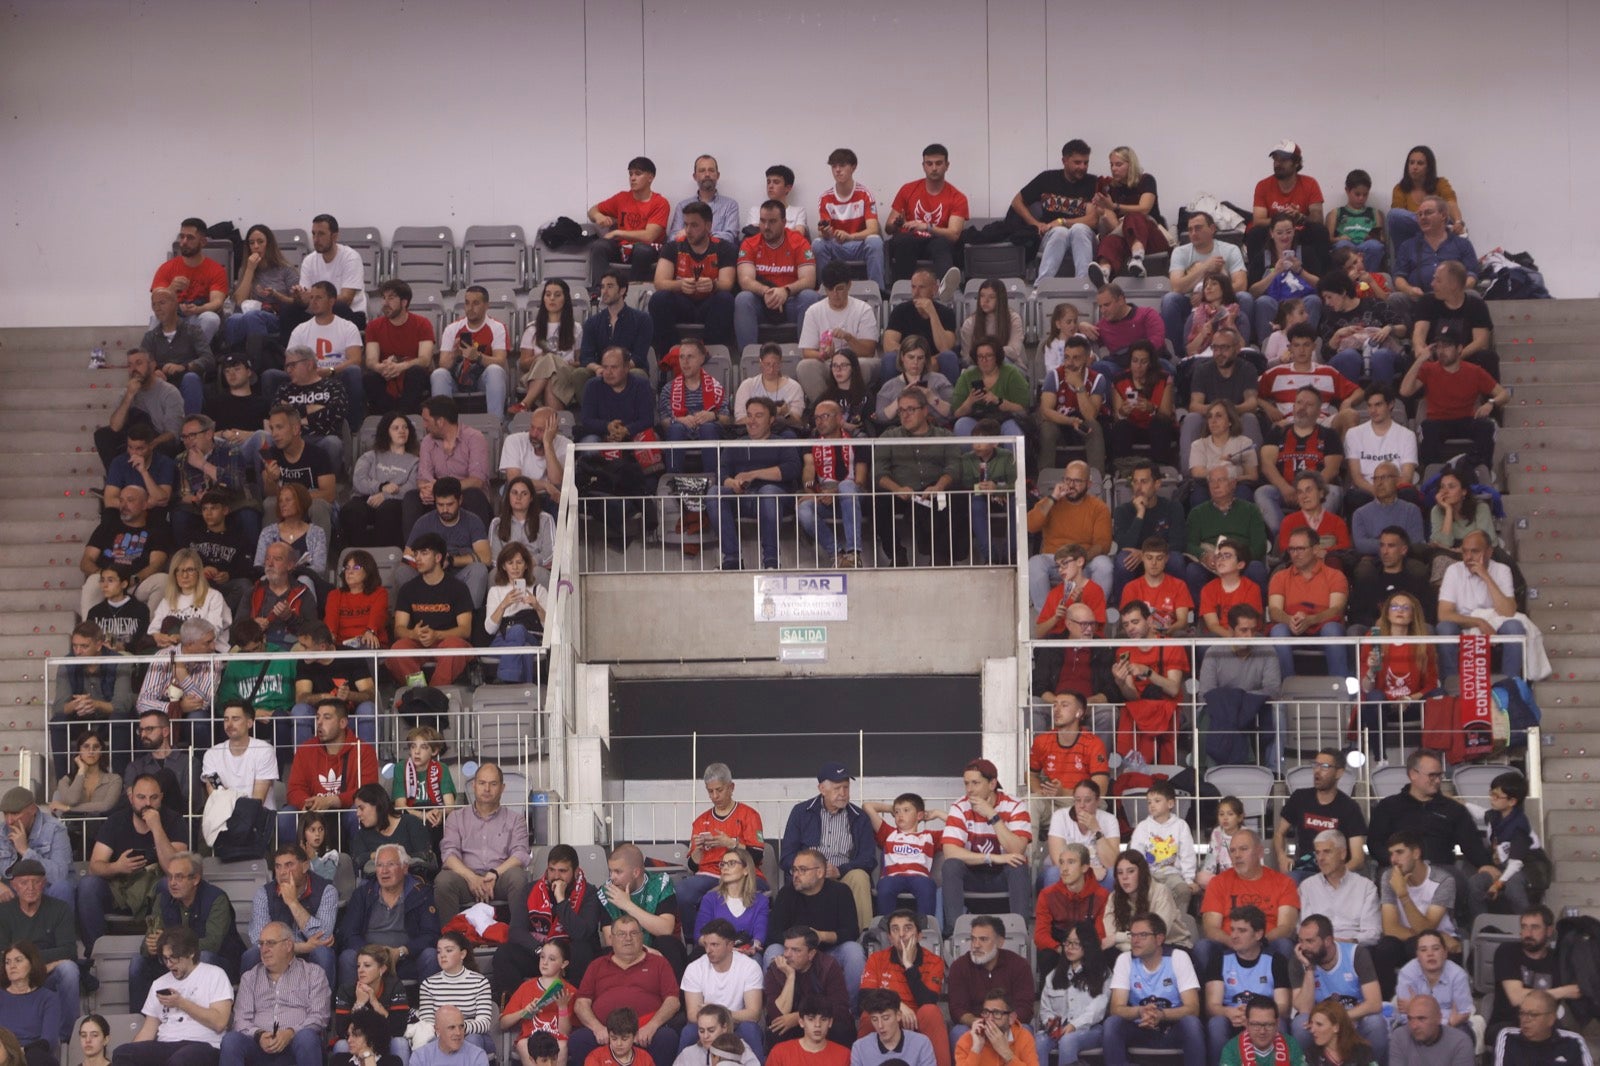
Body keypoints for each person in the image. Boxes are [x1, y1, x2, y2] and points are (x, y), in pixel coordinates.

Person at [1366, 750, 1493, 910]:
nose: (1438, 780)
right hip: (1397, 868)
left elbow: (1471, 844)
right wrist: (1398, 863)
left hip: (1441, 868)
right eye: (1432, 775)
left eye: (1440, 775)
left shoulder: (1453, 809)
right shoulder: (1388, 806)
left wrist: (1485, 865)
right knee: (1388, 880)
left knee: (1457, 882)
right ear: (1413, 774)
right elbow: (1375, 843)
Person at [74, 774, 182, 957]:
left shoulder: (173, 820)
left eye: (153, 797)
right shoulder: (116, 821)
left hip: (154, 891)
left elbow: (176, 870)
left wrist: (156, 827)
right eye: (141, 797)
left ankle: (165, 951)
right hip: (120, 889)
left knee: (170, 884)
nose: (147, 803)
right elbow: (94, 867)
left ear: (161, 797)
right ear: (131, 797)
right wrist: (117, 867)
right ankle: (96, 954)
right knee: (88, 885)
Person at [570, 913, 682, 1066]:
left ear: (641, 936)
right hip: (606, 1033)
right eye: (622, 934)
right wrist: (597, 1028)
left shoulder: (659, 963)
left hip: (645, 1031)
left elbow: (673, 1001)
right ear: (611, 938)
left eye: (633, 933)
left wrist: (652, 1026)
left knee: (667, 1038)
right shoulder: (597, 965)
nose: (628, 938)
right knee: (578, 1039)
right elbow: (581, 1003)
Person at [110, 926, 232, 1066]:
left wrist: (181, 1003)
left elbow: (219, 1023)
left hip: (203, 1045)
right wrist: (134, 1052)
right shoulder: (159, 983)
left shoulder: (214, 974)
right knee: (123, 1053)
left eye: (174, 958)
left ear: (191, 953)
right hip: (166, 1044)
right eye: (165, 958)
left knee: (180, 1060)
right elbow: (148, 1030)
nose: (168, 964)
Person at [874, 389, 968, 568]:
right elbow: (879, 472)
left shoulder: (944, 436)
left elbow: (954, 467)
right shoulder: (889, 436)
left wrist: (939, 486)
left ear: (925, 410)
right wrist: (897, 489)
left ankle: (941, 556)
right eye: (901, 410)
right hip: (902, 491)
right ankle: (897, 554)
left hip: (934, 490)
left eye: (911, 409)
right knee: (877, 499)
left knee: (955, 495)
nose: (905, 415)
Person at [1399, 325, 1508, 476]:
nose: (1441, 351)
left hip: (1466, 419)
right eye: (1438, 346)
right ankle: (1435, 475)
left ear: (1459, 348)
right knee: (1427, 428)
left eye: (1447, 346)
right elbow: (1404, 391)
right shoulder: (1428, 369)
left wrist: (1491, 403)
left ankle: (1476, 471)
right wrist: (1420, 360)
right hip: (1438, 421)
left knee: (1488, 426)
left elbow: (1504, 394)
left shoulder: (1474, 371)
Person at [940, 759, 1031, 937]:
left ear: (992, 784)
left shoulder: (1015, 806)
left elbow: (1017, 849)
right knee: (950, 865)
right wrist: (992, 857)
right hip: (973, 875)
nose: (969, 789)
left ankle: (1020, 933)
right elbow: (950, 852)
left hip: (1002, 876)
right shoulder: (959, 806)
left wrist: (992, 815)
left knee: (1018, 864)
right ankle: (954, 933)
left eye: (975, 783)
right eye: (966, 783)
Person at [496, 845, 600, 1001]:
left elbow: (581, 933)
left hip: (570, 956)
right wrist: (541, 951)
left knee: (583, 949)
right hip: (540, 952)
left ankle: (576, 1004)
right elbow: (516, 931)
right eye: (552, 870)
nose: (556, 876)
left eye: (562, 871)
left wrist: (561, 900)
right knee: (504, 954)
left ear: (576, 872)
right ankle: (519, 1005)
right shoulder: (531, 890)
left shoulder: (589, 893)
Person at [221, 920, 331, 1066]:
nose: (264, 949)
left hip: (296, 1045)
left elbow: (319, 1016)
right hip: (259, 1048)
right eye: (261, 944)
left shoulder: (313, 974)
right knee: (231, 1040)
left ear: (288, 945)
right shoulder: (250, 977)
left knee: (307, 1038)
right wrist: (259, 1035)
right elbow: (240, 1020)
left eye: (270, 943)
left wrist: (290, 1033)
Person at [707, 397, 799, 571]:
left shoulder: (782, 442)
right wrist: (731, 482)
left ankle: (771, 561)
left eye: (758, 416)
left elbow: (792, 469)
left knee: (768, 491)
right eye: (749, 415)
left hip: (775, 500)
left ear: (771, 420)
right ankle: (732, 559)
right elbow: (721, 473)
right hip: (743, 497)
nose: (752, 421)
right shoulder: (736, 444)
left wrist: (754, 474)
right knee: (714, 493)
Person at [435, 762, 532, 925]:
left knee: (518, 878)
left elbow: (520, 854)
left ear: (502, 788)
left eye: (493, 784)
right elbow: (448, 854)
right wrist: (471, 878)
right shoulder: (456, 818)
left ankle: (519, 934)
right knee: (443, 881)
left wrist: (494, 873)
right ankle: (451, 936)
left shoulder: (516, 819)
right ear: (474, 785)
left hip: (499, 878)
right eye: (482, 783)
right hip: (465, 879)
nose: (487, 789)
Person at [1102, 913, 1203, 1066]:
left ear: (1159, 938)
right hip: (1139, 1028)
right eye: (1132, 935)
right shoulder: (1125, 960)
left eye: (1142, 935)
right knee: (1112, 1023)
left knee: (1191, 1023)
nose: (1135, 940)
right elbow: (1116, 1008)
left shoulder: (1178, 957)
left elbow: (1193, 1008)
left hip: (1172, 1029)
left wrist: (1161, 1015)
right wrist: (1140, 1011)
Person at [338, 842, 442, 987]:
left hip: (406, 959)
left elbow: (431, 934)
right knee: (347, 957)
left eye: (390, 864)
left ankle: (427, 1002)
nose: (384, 871)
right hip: (369, 959)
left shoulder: (421, 893)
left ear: (404, 868)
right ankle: (351, 1002)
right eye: (379, 865)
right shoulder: (363, 894)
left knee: (430, 956)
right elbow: (349, 933)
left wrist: (401, 951)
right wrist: (371, 954)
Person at [1287, 915, 1387, 1061]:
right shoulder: (1299, 961)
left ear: (1327, 941)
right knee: (1299, 1024)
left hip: (1354, 1018)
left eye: (1310, 941)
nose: (1303, 947)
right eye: (1300, 941)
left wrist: (1337, 1020)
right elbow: (1304, 1009)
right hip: (1319, 1023)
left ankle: (1371, 1063)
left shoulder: (1356, 954)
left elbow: (1374, 1003)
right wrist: (1309, 968)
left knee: (1375, 1023)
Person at [765, 849, 863, 997]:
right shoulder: (786, 893)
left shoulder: (840, 891)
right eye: (794, 870)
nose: (796, 875)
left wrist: (821, 936)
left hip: (830, 950)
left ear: (820, 872)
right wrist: (799, 945)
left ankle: (849, 1008)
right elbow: (773, 933)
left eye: (803, 870)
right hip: (794, 951)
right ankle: (777, 1008)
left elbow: (851, 931)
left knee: (854, 951)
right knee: (773, 951)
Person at [1197, 831, 1299, 972]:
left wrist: (1257, 942)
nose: (1237, 855)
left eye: (1243, 849)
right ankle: (1209, 987)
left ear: (1260, 852)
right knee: (1203, 947)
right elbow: (1211, 928)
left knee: (1284, 945)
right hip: (1229, 944)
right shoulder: (1218, 882)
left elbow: (1286, 927)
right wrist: (1235, 942)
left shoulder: (1284, 883)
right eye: (1233, 851)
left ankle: (1280, 986)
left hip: (1266, 943)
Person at [0, 860, 78, 1042]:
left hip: (48, 975)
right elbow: (2, 954)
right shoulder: (3, 912)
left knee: (69, 970)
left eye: (36, 882)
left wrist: (29, 962)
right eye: (24, 882)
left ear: (44, 883)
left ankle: (66, 1037)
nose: (31, 887)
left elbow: (69, 951)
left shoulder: (60, 908)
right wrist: (35, 962)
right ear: (14, 885)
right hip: (13, 975)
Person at [648, 202, 738, 360]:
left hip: (709, 305)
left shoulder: (724, 248)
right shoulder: (672, 247)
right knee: (659, 298)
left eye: (694, 225)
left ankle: (712, 355)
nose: (688, 230)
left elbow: (727, 283)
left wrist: (713, 285)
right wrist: (680, 285)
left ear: (708, 226)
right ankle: (669, 355)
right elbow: (659, 282)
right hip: (683, 304)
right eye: (686, 224)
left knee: (725, 299)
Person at [1374, 831, 1463, 988]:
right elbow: (1390, 929)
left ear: (1416, 853)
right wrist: (1438, 936)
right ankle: (1386, 999)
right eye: (1391, 854)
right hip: (1413, 939)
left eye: (1399, 852)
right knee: (1384, 948)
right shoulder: (1389, 877)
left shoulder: (1443, 880)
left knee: (1415, 946)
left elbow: (1426, 928)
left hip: (1441, 946)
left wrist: (1403, 895)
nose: (1394, 860)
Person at [283, 699, 379, 843]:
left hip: (346, 813)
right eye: (317, 717)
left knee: (358, 812)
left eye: (327, 717)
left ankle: (360, 856)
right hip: (312, 814)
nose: (319, 723)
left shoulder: (364, 750)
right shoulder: (305, 750)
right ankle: (293, 857)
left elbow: (369, 791)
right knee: (286, 815)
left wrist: (333, 800)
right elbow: (294, 790)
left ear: (343, 723)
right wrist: (309, 804)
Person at [1203, 906, 1292, 1061]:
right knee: (1216, 1023)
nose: (1234, 936)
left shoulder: (1276, 961)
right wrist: (1227, 1012)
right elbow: (1212, 1006)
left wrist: (1255, 1016)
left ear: (1258, 934)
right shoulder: (1219, 959)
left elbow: (1283, 1006)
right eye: (1232, 929)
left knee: (1280, 1023)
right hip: (1232, 1018)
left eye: (1242, 931)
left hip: (1265, 1019)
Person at [388, 532, 476, 687]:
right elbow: (398, 629)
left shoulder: (458, 588)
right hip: (418, 642)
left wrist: (436, 635)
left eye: (424, 553)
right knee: (398, 649)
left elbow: (465, 630)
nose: (418, 558)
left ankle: (434, 693)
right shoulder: (408, 589)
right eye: (416, 554)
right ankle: (419, 691)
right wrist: (412, 634)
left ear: (438, 557)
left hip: (446, 641)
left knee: (456, 647)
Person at [1026, 460, 1113, 613]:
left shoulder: (1099, 507)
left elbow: (1103, 544)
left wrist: (1079, 560)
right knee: (1034, 563)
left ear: (1089, 484)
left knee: (1104, 564)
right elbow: (1030, 526)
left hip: (1084, 562)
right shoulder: (1050, 502)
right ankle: (1048, 616)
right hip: (1055, 560)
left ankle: (1093, 616)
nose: (1071, 485)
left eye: (1077, 481)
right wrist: (1053, 498)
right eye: (1068, 480)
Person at [1358, 591, 1442, 751]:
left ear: (1413, 614)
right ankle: (1379, 757)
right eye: (1394, 606)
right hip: (1384, 704)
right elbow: (1366, 689)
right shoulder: (1374, 638)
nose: (1400, 611)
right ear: (1387, 612)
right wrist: (1371, 670)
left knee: (1439, 694)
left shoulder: (1423, 642)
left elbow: (1431, 684)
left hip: (1412, 703)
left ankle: (1429, 754)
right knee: (1374, 697)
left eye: (1406, 607)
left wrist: (1409, 699)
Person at [857, 909, 947, 1059]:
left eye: (908, 928)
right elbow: (864, 997)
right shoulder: (876, 959)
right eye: (895, 929)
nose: (901, 934)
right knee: (868, 1015)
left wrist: (909, 966)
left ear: (919, 935)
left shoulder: (934, 961)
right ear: (889, 937)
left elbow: (928, 1000)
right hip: (887, 1015)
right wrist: (897, 1005)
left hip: (918, 1018)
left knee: (931, 1012)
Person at [735, 199, 820, 354]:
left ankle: (807, 356)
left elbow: (809, 280)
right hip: (762, 302)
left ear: (784, 222)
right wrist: (766, 291)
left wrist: (785, 291)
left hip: (791, 301)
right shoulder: (749, 243)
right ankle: (748, 358)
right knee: (743, 298)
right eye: (762, 221)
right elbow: (745, 280)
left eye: (772, 221)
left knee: (810, 296)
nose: (766, 227)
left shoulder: (799, 242)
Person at [245, 844, 338, 985]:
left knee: (323, 953)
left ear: (305, 866)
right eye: (278, 866)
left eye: (289, 865)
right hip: (279, 954)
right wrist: (303, 947)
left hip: (311, 955)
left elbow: (323, 938)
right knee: (252, 955)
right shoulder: (264, 893)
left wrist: (293, 902)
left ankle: (323, 1000)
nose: (282, 872)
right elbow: (259, 940)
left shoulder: (327, 891)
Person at [1010, 139, 1100, 282]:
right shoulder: (1047, 179)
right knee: (1060, 232)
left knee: (1078, 229)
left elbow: (1092, 220)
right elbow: (1017, 202)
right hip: (1052, 236)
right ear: (1064, 161)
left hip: (1083, 238)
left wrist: (1062, 221)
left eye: (1086, 162)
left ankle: (1084, 284)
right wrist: (1036, 224)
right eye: (1077, 162)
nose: (1083, 167)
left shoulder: (1092, 182)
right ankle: (1042, 285)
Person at [1486, 907, 1581, 1042]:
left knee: (1571, 1041)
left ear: (1549, 931)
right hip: (1508, 1025)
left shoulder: (1558, 960)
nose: (1528, 933)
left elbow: (1578, 990)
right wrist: (1563, 991)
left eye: (1535, 927)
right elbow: (1516, 997)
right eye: (1524, 927)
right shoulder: (1507, 952)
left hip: (1545, 1025)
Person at [78, 483, 173, 618]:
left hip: (137, 583)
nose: (123, 505)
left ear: (144, 504)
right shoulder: (107, 526)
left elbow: (157, 564)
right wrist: (105, 576)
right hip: (107, 581)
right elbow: (86, 561)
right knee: (93, 581)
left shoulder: (156, 530)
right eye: (121, 500)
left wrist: (136, 578)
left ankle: (148, 629)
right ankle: (89, 629)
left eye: (130, 500)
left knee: (163, 580)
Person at [1267, 527, 1351, 678]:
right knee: (1278, 631)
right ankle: (1286, 687)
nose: (1295, 554)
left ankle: (1340, 687)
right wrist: (1290, 620)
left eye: (1300, 549)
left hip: (1323, 628)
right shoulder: (1280, 577)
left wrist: (1311, 620)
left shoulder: (1335, 576)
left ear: (1316, 549)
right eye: (1292, 549)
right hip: (1292, 628)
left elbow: (1337, 609)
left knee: (1332, 629)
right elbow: (1274, 610)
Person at [1275, 748, 1367, 882]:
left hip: (1336, 872)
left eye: (1324, 767)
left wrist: (1333, 876)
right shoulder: (1300, 798)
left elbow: (1358, 859)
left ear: (1339, 773)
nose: (1317, 771)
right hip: (1304, 869)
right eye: (1315, 765)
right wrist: (1281, 856)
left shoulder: (1350, 808)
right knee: (1290, 881)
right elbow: (1279, 833)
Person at [1162, 212, 1252, 345]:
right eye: (1190, 229)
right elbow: (1177, 287)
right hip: (1191, 302)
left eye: (1198, 228)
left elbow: (1241, 285)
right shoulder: (1180, 252)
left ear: (1212, 229)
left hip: (1224, 301)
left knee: (1245, 297)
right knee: (1170, 299)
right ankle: (1177, 352)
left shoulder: (1230, 250)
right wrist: (1205, 267)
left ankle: (1242, 348)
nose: (1193, 233)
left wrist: (1207, 296)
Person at [798, 400, 869, 568]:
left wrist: (835, 492)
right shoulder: (812, 442)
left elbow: (860, 480)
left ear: (839, 418)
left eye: (825, 416)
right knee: (803, 508)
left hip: (853, 495)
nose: (819, 422)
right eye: (816, 418)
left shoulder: (857, 440)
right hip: (824, 496)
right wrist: (813, 494)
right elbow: (809, 475)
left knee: (846, 486)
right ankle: (837, 554)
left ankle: (853, 553)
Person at [885, 143, 968, 284]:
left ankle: (946, 288)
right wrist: (897, 223)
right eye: (929, 164)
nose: (934, 168)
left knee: (942, 243)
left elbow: (954, 235)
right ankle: (902, 289)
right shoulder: (907, 190)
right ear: (923, 166)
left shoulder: (957, 197)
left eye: (938, 163)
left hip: (937, 242)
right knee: (903, 241)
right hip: (909, 241)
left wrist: (926, 227)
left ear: (947, 165)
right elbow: (888, 228)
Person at [946, 915, 1036, 1045]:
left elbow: (1025, 1008)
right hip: (975, 1025)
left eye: (983, 939)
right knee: (958, 1032)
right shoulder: (959, 966)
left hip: (1008, 1024)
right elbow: (957, 1009)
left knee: (1025, 1030)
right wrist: (977, 1022)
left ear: (1000, 942)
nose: (976, 945)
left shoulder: (1019, 965)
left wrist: (1001, 1024)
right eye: (973, 939)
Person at [679, 921, 764, 1056]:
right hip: (707, 1026)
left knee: (750, 1029)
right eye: (706, 944)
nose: (708, 950)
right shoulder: (694, 968)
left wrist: (718, 1013)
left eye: (714, 945)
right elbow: (692, 1015)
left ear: (730, 945)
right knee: (689, 1031)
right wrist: (715, 1023)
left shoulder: (750, 967)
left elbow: (754, 1014)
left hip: (737, 1025)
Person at [798, 263, 881, 401]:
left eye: (839, 289)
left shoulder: (863, 309)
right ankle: (825, 406)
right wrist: (823, 354)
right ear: (825, 289)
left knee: (862, 365)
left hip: (856, 361)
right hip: (828, 362)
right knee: (805, 366)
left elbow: (869, 351)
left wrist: (849, 338)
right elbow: (807, 352)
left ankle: (852, 405)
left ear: (849, 285)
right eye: (830, 290)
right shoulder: (813, 311)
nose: (835, 294)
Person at [95, 347, 186, 471]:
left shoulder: (169, 393)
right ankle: (115, 478)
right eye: (130, 365)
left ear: (152, 365)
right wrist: (129, 395)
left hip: (158, 441)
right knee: (103, 435)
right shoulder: (127, 393)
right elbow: (115, 427)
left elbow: (173, 433)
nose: (134, 369)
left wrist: (150, 445)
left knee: (160, 444)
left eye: (138, 363)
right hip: (133, 439)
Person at [1246, 142, 1329, 276]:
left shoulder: (1310, 183)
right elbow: (1258, 220)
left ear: (1296, 163)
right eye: (1275, 160)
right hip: (1275, 231)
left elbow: (1318, 218)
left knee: (1320, 231)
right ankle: (1256, 279)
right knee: (1255, 233)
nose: (1278, 164)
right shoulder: (1263, 185)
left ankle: (1322, 280)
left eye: (1283, 160)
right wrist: (1282, 220)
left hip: (1299, 230)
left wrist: (1300, 217)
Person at [1089, 145, 1170, 282]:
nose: (1114, 169)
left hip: (1152, 238)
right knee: (1110, 240)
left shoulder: (1146, 180)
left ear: (1131, 164)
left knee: (1133, 217)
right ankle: (1104, 272)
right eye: (1112, 165)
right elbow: (1115, 228)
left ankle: (1137, 257)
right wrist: (1103, 213)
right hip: (1127, 239)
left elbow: (1144, 208)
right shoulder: (1111, 188)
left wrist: (1114, 206)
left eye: (1118, 164)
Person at [266, 340, 351, 468]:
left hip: (321, 438)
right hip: (289, 440)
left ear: (309, 364)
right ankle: (270, 480)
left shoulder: (332, 386)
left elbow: (336, 412)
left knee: (333, 443)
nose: (288, 370)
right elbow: (276, 414)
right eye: (286, 366)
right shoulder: (284, 389)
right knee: (263, 438)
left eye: (292, 365)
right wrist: (314, 409)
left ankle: (328, 480)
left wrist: (294, 416)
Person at [588, 156, 670, 287]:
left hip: (648, 249)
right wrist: (598, 216)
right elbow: (592, 210)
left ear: (650, 177)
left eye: (638, 174)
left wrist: (617, 233)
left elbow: (649, 236)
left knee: (642, 250)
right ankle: (600, 292)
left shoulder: (660, 203)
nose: (632, 178)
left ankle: (632, 293)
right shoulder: (622, 197)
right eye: (630, 174)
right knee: (599, 246)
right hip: (622, 248)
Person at [259, 404, 336, 542]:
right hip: (285, 509)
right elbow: (269, 494)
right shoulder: (269, 454)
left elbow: (329, 494)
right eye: (272, 428)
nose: (274, 434)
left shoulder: (319, 454)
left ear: (295, 429)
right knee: (270, 504)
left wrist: (294, 498)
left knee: (318, 506)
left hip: (310, 507)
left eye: (279, 427)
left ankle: (318, 555)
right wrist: (271, 480)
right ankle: (271, 552)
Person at [764, 928, 852, 1049]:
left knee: (841, 1028)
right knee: (776, 1030)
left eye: (796, 950)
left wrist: (799, 1017)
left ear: (811, 954)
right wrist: (790, 976)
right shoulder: (776, 969)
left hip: (820, 1021)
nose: (787, 955)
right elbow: (776, 1015)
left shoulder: (828, 966)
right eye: (786, 948)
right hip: (791, 1027)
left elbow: (840, 1009)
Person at [1038, 918, 1110, 1066]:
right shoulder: (1054, 975)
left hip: (1090, 1029)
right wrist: (1052, 1025)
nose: (1069, 948)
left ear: (1088, 945)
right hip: (1059, 1028)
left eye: (1076, 943)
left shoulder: (1102, 973)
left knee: (1068, 1040)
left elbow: (1098, 1009)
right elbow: (1045, 1009)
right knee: (1040, 1041)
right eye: (1067, 942)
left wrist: (1074, 1025)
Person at [813, 148, 885, 292]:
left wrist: (850, 236)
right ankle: (824, 291)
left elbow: (873, 229)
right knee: (818, 244)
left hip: (858, 244)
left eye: (842, 165)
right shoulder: (825, 197)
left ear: (853, 167)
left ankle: (877, 292)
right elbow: (823, 232)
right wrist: (826, 232)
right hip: (837, 245)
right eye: (834, 166)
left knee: (875, 241)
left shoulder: (865, 194)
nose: (837, 170)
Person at [343, 412, 420, 548]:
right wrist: (381, 487)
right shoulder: (370, 456)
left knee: (388, 510)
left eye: (405, 427)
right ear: (386, 432)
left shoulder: (415, 462)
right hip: (365, 499)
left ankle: (384, 554)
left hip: (394, 502)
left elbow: (411, 487)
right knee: (351, 510)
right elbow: (359, 481)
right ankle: (355, 553)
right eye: (395, 428)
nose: (402, 431)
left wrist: (385, 496)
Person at [432, 286, 510, 418]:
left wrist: (478, 357)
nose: (470, 308)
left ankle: (497, 423)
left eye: (476, 303)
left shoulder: (497, 327)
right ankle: (442, 422)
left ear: (486, 306)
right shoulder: (452, 329)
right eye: (467, 303)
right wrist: (454, 354)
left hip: (482, 380)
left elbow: (501, 362)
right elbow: (443, 364)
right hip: (457, 379)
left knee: (495, 371)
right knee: (438, 374)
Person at [364, 277, 437, 416]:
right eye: (383, 298)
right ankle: (389, 417)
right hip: (387, 376)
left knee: (416, 372)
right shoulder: (373, 326)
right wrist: (382, 367)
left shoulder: (422, 323)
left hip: (411, 377)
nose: (385, 303)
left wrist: (400, 367)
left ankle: (403, 416)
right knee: (370, 378)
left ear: (404, 302)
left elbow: (425, 359)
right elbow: (371, 360)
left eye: (391, 298)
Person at [1037, 333, 1108, 473]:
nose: (1069, 363)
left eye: (1076, 358)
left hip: (1083, 427)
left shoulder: (1097, 379)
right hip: (1060, 425)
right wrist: (1070, 421)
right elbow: (1046, 412)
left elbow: (1090, 415)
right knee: (1047, 429)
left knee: (1094, 426)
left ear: (1087, 359)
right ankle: (1045, 478)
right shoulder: (1054, 376)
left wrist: (1079, 385)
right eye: (1067, 357)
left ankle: (1097, 478)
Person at [417, 934, 497, 1058]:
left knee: (472, 1041)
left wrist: (457, 1029)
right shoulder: (428, 984)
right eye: (439, 952)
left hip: (473, 1035)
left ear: (462, 954)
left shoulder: (480, 982)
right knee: (431, 1042)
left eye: (448, 950)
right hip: (441, 1036)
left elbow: (484, 1023)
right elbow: (427, 1024)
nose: (442, 955)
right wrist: (447, 1033)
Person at [1316, 273, 1403, 387]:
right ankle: (1352, 395)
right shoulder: (1328, 317)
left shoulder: (1374, 304)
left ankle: (1382, 396)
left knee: (1381, 355)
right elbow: (1325, 355)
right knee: (1350, 356)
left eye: (1329, 297)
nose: (1327, 302)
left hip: (1380, 353)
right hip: (1349, 360)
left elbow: (1403, 330)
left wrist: (1390, 328)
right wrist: (1336, 336)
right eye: (1324, 298)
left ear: (1343, 292)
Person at [149, 218, 227, 344]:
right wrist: (171, 289)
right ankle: (152, 355)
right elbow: (156, 301)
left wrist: (198, 309)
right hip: (174, 317)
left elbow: (217, 302)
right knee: (156, 316)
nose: (184, 242)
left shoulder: (216, 269)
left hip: (198, 316)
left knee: (211, 318)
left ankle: (193, 354)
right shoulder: (167, 268)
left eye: (190, 238)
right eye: (182, 237)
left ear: (203, 242)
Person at [515, 278, 588, 414]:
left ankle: (525, 404)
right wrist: (540, 357)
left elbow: (581, 362)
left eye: (557, 295)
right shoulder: (532, 328)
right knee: (550, 369)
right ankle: (553, 423)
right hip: (535, 376)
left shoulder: (576, 328)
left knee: (551, 361)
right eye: (548, 295)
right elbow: (523, 365)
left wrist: (569, 363)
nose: (552, 298)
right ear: (543, 299)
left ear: (565, 299)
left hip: (565, 373)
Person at [1035, 845, 1109, 974]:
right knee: (1046, 954)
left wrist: (1081, 950)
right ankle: (1048, 987)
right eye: (1061, 862)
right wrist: (1061, 949)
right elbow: (1040, 935)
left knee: (1107, 952)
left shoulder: (1101, 895)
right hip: (1059, 947)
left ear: (1084, 867)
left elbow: (1100, 935)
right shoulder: (1047, 895)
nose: (1064, 868)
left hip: (1088, 947)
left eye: (1071, 862)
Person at [1392, 197, 1478, 300]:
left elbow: (1472, 275)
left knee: (1472, 295)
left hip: (1454, 298)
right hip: (1418, 300)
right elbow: (1399, 277)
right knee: (1396, 298)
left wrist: (1457, 290)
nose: (1423, 217)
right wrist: (1409, 290)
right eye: (1419, 214)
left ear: (1443, 215)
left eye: (1428, 213)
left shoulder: (1462, 244)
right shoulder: (1407, 246)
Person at [1129, 782, 1197, 913]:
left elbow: (1187, 854)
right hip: (1150, 875)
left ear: (1170, 804)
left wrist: (1188, 879)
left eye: (1157, 801)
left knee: (1183, 891)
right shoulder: (1143, 827)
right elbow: (1136, 854)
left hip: (1173, 874)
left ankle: (1178, 921)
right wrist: (1140, 877)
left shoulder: (1181, 825)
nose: (1152, 805)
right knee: (1145, 894)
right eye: (1149, 802)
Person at [485, 542, 547, 683]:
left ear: (526, 566)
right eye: (510, 563)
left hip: (531, 635)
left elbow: (550, 628)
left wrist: (537, 606)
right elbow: (489, 629)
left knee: (518, 630)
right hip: (503, 638)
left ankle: (506, 681)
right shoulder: (495, 591)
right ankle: (525, 689)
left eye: (519, 562)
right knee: (525, 649)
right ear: (503, 566)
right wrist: (503, 605)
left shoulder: (539, 590)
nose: (515, 567)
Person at [1349, 527, 1433, 630]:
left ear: (1403, 550)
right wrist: (1375, 622)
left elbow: (1429, 614)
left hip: (1409, 630)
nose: (1385, 551)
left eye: (1391, 546)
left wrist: (1405, 621)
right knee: (1354, 630)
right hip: (1375, 630)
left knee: (1428, 628)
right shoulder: (1368, 580)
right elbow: (1355, 615)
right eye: (1382, 545)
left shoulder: (1416, 581)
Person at [1045, 780, 1121, 891]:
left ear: (1097, 801)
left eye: (1087, 800)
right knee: (1053, 873)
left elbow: (1111, 863)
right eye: (1077, 800)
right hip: (1072, 871)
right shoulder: (1060, 816)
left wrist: (1096, 830)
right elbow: (1058, 860)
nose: (1082, 805)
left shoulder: (1109, 820)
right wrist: (1089, 871)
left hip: (1100, 873)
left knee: (1112, 875)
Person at [1395, 930, 1473, 1036]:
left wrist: (1417, 1008)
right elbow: (1405, 1016)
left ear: (1445, 953)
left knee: (1464, 1034)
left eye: (1436, 949)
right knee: (1399, 1034)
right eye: (1423, 950)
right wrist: (1447, 1017)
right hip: (1417, 1024)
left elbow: (1463, 1013)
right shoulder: (1407, 973)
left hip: (1452, 1026)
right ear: (1417, 955)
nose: (1430, 954)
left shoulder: (1458, 975)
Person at [951, 338, 1030, 439]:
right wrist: (970, 401)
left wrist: (998, 401)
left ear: (997, 357)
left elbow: (1023, 409)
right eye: (980, 356)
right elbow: (956, 413)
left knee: (1013, 430)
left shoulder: (1011, 373)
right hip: (977, 419)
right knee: (961, 425)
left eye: (988, 356)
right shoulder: (967, 376)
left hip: (1006, 419)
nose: (984, 360)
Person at [351, 786, 436, 879]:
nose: (358, 814)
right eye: (357, 809)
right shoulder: (362, 834)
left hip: (411, 880)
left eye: (361, 808)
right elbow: (358, 860)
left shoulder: (411, 823)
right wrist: (374, 855)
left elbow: (424, 856)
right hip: (376, 884)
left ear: (378, 805)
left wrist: (390, 856)